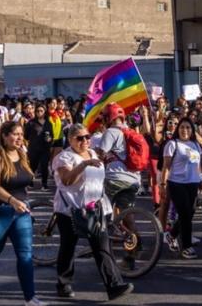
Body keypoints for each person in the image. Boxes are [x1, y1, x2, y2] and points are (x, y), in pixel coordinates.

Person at [52, 124, 133, 301]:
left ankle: (114, 286)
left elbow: (98, 181)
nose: (85, 141)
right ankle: (63, 283)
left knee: (102, 247)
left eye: (87, 137)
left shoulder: (94, 154)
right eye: (80, 138)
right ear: (71, 139)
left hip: (95, 208)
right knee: (68, 247)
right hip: (70, 210)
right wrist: (84, 165)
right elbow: (66, 180)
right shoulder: (63, 157)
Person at [0, 121, 42, 306]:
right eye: (15, 134)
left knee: (25, 254)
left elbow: (27, 179)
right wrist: (12, 201)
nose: (19, 138)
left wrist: (20, 202)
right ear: (4, 136)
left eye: (21, 134)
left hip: (21, 211)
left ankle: (30, 297)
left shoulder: (22, 153)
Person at [161, 117, 202, 259]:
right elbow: (166, 167)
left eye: (188, 127)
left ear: (192, 130)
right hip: (176, 183)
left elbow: (198, 165)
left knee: (190, 213)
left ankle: (172, 234)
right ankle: (186, 247)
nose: (185, 130)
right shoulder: (172, 144)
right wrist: (163, 185)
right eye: (182, 127)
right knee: (185, 214)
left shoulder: (195, 145)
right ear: (177, 129)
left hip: (193, 184)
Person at [94, 103, 141, 216]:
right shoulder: (130, 131)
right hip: (134, 179)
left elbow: (101, 154)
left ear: (108, 117)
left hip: (115, 177)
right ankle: (129, 232)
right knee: (124, 213)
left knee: (98, 203)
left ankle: (106, 228)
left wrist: (91, 152)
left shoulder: (110, 132)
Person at [24, 104, 53, 191]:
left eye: (41, 111)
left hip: (45, 148)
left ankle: (44, 184)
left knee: (44, 166)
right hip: (34, 148)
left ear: (45, 112)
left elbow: (52, 136)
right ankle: (30, 182)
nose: (39, 113)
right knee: (32, 166)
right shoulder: (31, 123)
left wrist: (49, 139)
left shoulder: (48, 123)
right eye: (37, 111)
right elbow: (26, 136)